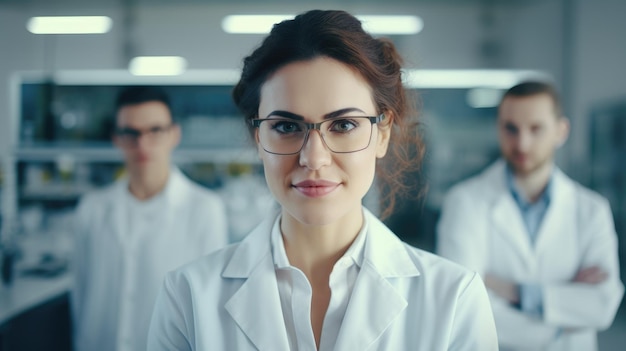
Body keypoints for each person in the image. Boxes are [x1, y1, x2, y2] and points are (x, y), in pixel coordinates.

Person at [148, 9, 497, 351]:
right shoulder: (188, 297)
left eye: (343, 125)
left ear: (383, 134)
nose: (313, 158)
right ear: (258, 138)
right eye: (286, 127)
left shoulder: (454, 298)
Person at [437, 81, 624, 351]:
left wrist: (512, 290)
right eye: (511, 128)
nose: (522, 143)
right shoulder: (464, 202)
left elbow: (602, 305)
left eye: (536, 129)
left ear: (561, 131)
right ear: (498, 128)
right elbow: (464, 304)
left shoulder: (592, 209)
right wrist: (560, 322)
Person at [71, 86, 229, 351]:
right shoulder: (92, 209)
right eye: (130, 133)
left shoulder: (205, 209)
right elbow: (80, 296)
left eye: (155, 131)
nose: (142, 144)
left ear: (174, 135)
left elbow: (209, 304)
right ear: (116, 138)